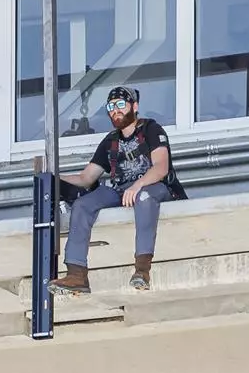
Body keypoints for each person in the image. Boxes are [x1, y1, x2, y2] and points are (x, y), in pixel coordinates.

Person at [49, 84, 184, 295]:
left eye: (121, 104)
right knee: (83, 204)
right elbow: (86, 178)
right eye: (111, 106)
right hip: (121, 190)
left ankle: (142, 270)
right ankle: (77, 274)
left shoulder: (151, 129)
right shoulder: (110, 141)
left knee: (144, 197)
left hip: (156, 188)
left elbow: (161, 167)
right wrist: (53, 179)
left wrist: (137, 186)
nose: (115, 110)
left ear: (135, 106)